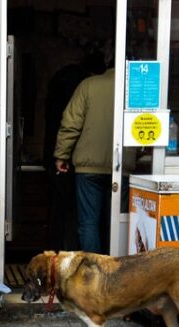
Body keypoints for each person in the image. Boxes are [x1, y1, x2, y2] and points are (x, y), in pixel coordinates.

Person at [43, 52, 106, 251]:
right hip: (118, 165)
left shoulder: (83, 85)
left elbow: (70, 124)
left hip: (83, 164)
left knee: (83, 219)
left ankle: (83, 266)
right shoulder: (124, 86)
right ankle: (111, 270)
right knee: (112, 219)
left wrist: (61, 155)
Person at [54, 64, 117, 254]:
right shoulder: (135, 86)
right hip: (122, 167)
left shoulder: (88, 85)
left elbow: (71, 124)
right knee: (117, 221)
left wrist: (61, 155)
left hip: (89, 168)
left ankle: (92, 271)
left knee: (89, 222)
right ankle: (115, 271)